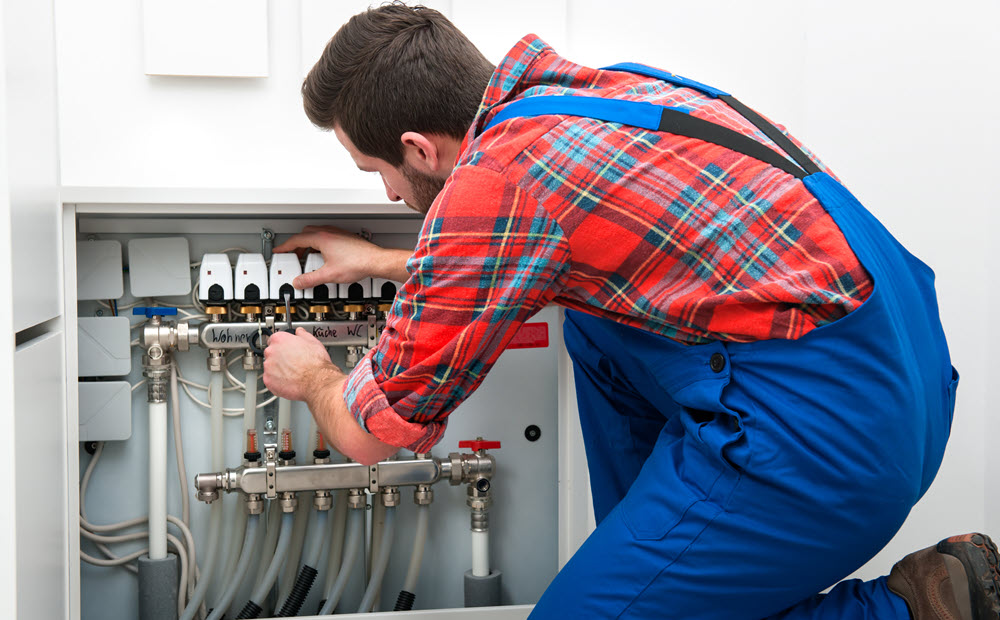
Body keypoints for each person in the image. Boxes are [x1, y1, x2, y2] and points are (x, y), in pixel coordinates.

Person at [261, 4, 999, 619]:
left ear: (418, 149)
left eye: (376, 171)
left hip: (828, 434)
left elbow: (370, 435)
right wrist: (393, 264)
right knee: (589, 318)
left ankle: (914, 609)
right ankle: (659, 573)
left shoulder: (495, 184)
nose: (387, 196)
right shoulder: (598, 97)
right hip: (905, 371)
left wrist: (315, 375)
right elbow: (546, 255)